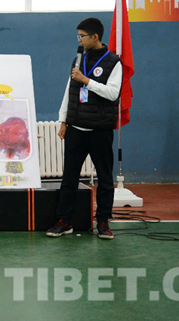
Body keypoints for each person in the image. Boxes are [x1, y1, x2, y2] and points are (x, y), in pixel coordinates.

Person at [46, 18, 121, 240]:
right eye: (78, 36)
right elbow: (69, 90)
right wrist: (63, 120)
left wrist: (87, 81)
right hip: (76, 129)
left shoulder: (113, 62)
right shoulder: (79, 59)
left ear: (95, 37)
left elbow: (113, 93)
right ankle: (64, 220)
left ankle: (103, 221)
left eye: (82, 36)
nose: (79, 40)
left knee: (105, 179)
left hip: (100, 130)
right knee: (69, 177)